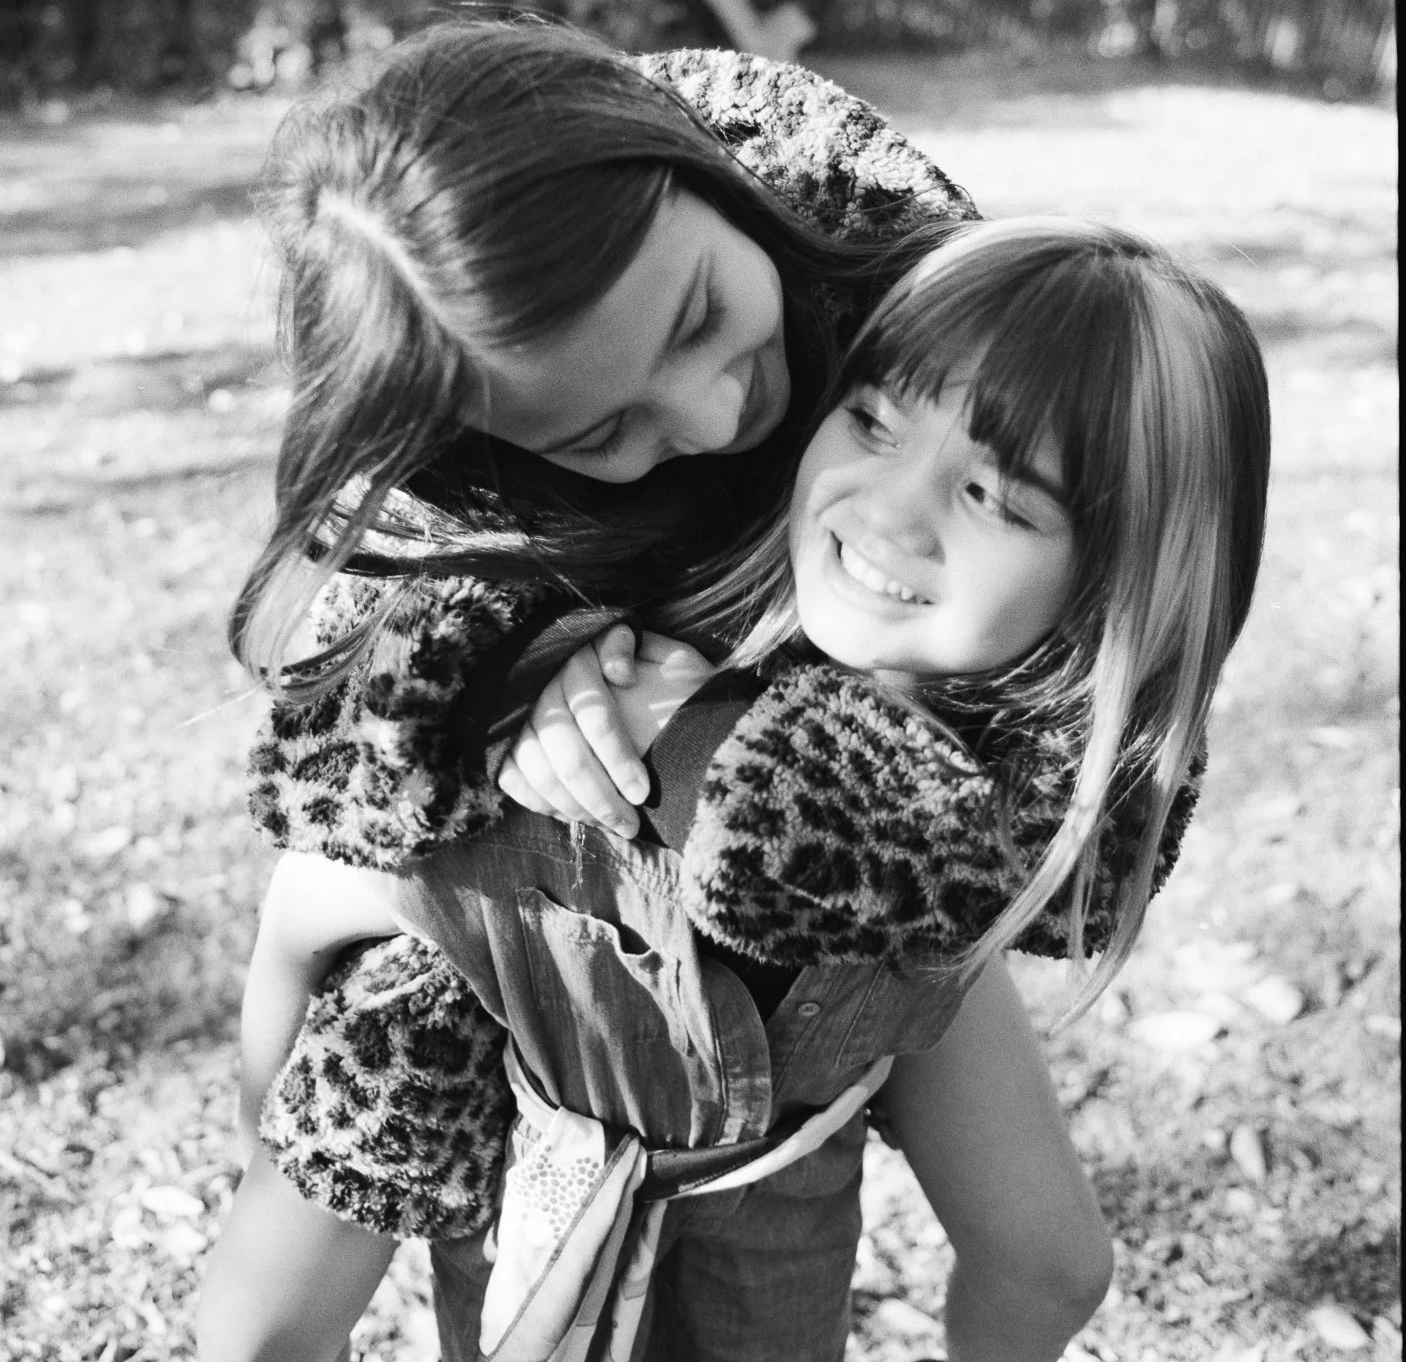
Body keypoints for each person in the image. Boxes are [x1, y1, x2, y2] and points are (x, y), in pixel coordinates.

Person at [198, 216, 1270, 1362]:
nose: (888, 508)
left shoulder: (927, 886)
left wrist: (311, 930)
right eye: (869, 420)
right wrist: (350, 905)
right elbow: (1047, 1266)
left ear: (1122, 584)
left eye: (993, 498)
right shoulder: (603, 714)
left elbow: (1052, 1262)